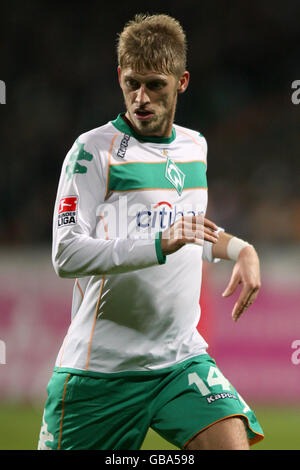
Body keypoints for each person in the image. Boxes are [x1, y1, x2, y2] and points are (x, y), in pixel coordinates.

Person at [38, 13, 264, 450]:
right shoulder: (92, 152)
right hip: (100, 370)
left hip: (179, 361)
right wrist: (159, 243)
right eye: (131, 83)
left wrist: (240, 249)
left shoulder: (194, 147)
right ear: (119, 78)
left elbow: (190, 231)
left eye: (155, 85)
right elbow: (65, 253)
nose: (141, 98)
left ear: (181, 82)